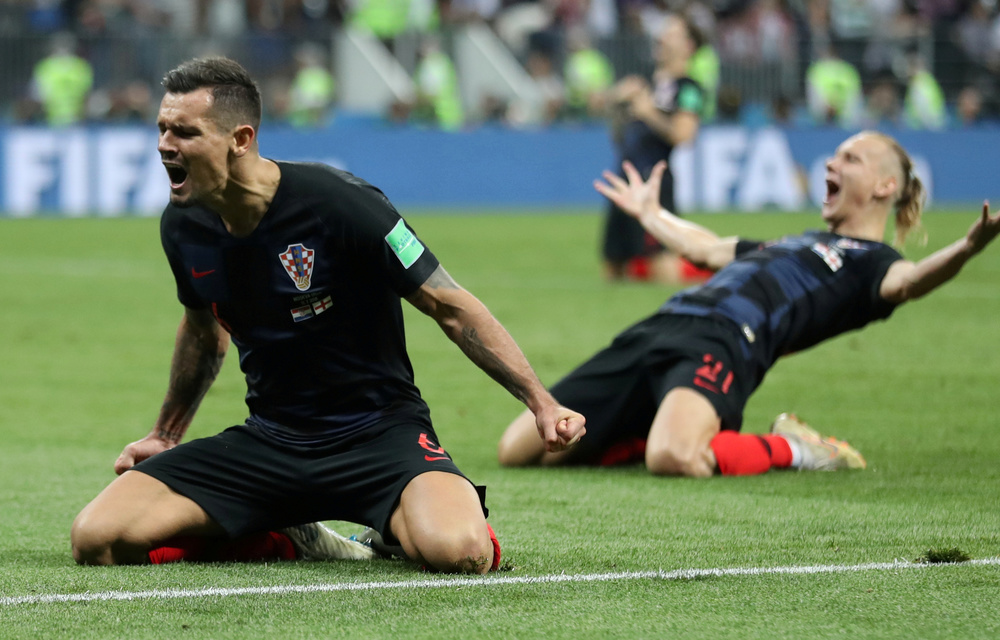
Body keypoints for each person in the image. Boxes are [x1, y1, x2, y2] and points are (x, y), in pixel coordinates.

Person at [70, 57, 585, 573]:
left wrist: (540, 402)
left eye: (184, 131)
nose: (164, 144)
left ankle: (395, 527)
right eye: (161, 128)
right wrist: (166, 433)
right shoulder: (183, 225)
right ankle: (286, 535)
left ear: (241, 139)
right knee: (97, 539)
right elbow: (204, 334)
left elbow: (448, 305)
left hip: (381, 436)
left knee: (462, 553)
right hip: (270, 441)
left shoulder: (341, 203)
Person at [499, 131, 1000, 478]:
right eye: (835, 156)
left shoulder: (873, 262)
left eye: (851, 159)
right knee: (520, 447)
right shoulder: (790, 242)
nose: (832, 163)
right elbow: (705, 246)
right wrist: (652, 215)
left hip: (725, 344)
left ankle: (798, 449)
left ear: (885, 187)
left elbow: (910, 281)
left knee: (673, 458)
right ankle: (640, 430)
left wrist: (966, 249)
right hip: (661, 325)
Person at [602, 12, 708, 285]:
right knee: (613, 262)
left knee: (660, 259)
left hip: (653, 183)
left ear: (688, 46)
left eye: (671, 33)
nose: (661, 37)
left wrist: (649, 112)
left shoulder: (689, 89)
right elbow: (618, 134)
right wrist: (617, 101)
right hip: (625, 181)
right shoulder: (647, 84)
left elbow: (684, 135)